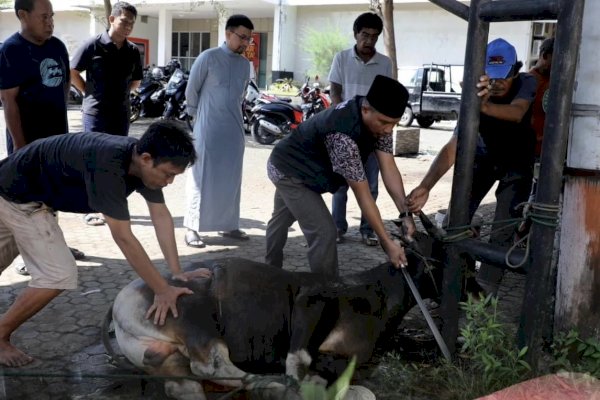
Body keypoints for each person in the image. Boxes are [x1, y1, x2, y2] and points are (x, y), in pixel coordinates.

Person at [0, 120, 209, 367]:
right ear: (146, 158)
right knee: (58, 274)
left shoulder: (140, 165)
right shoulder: (108, 166)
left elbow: (161, 216)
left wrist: (176, 274)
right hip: (20, 197)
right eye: (168, 174)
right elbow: (122, 236)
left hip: (15, 188)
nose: (169, 182)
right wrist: (162, 290)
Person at [407, 38, 537, 296]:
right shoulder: (474, 95)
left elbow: (517, 112)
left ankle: (485, 295)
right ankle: (455, 280)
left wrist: (483, 105)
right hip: (482, 158)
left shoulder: (526, 82)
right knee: (457, 220)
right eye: (491, 77)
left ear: (515, 71)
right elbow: (454, 145)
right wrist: (426, 186)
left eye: (504, 77)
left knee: (502, 229)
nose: (497, 83)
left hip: (517, 162)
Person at [265, 75, 416, 277]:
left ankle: (269, 272)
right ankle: (328, 293)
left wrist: (405, 214)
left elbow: (388, 168)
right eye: (385, 122)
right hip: (288, 170)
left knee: (281, 218)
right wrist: (386, 242)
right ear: (365, 109)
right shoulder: (343, 135)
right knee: (324, 232)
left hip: (306, 169)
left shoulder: (378, 120)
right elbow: (363, 195)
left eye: (394, 124)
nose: (388, 129)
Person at [0, 0, 84, 274]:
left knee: (51, 195)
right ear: (23, 15)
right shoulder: (10, 51)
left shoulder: (57, 46)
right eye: (43, 17)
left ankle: (54, 245)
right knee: (28, 202)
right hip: (28, 143)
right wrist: (22, 149)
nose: (50, 23)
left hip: (56, 142)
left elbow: (63, 88)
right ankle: (31, 256)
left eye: (52, 17)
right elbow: (8, 102)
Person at [183, 14, 254, 248]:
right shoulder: (209, 58)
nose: (245, 43)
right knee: (200, 177)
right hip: (208, 127)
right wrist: (196, 121)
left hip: (234, 130)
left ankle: (229, 224)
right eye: (242, 37)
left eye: (249, 39)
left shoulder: (245, 65)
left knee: (231, 178)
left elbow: (241, 98)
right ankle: (191, 228)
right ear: (228, 33)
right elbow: (192, 91)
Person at [70, 1, 143, 227]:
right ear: (111, 19)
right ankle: (90, 207)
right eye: (124, 21)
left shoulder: (132, 51)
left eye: (131, 23)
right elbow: (72, 71)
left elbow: (136, 81)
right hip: (95, 113)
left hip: (121, 114)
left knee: (117, 159)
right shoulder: (93, 45)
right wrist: (88, 92)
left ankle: (111, 204)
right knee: (92, 159)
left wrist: (119, 95)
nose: (128, 27)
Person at [328, 12, 393, 247]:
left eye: (374, 37)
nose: (369, 41)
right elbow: (335, 91)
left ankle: (368, 229)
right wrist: (341, 119)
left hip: (373, 134)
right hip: (346, 131)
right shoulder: (342, 58)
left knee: (371, 184)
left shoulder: (385, 63)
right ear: (355, 34)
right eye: (365, 35)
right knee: (341, 184)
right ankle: (337, 227)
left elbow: (386, 96)